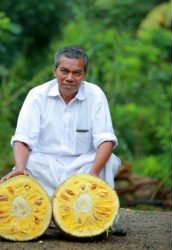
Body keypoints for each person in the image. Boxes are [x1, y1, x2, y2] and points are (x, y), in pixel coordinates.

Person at [0, 45, 125, 235]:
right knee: (28, 163)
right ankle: (48, 215)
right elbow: (23, 139)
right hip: (45, 164)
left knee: (108, 160)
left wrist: (92, 175)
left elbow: (105, 140)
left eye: (77, 73)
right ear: (55, 70)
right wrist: (20, 169)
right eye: (64, 71)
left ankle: (106, 218)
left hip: (82, 167)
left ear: (84, 74)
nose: (69, 78)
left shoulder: (95, 95)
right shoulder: (37, 95)